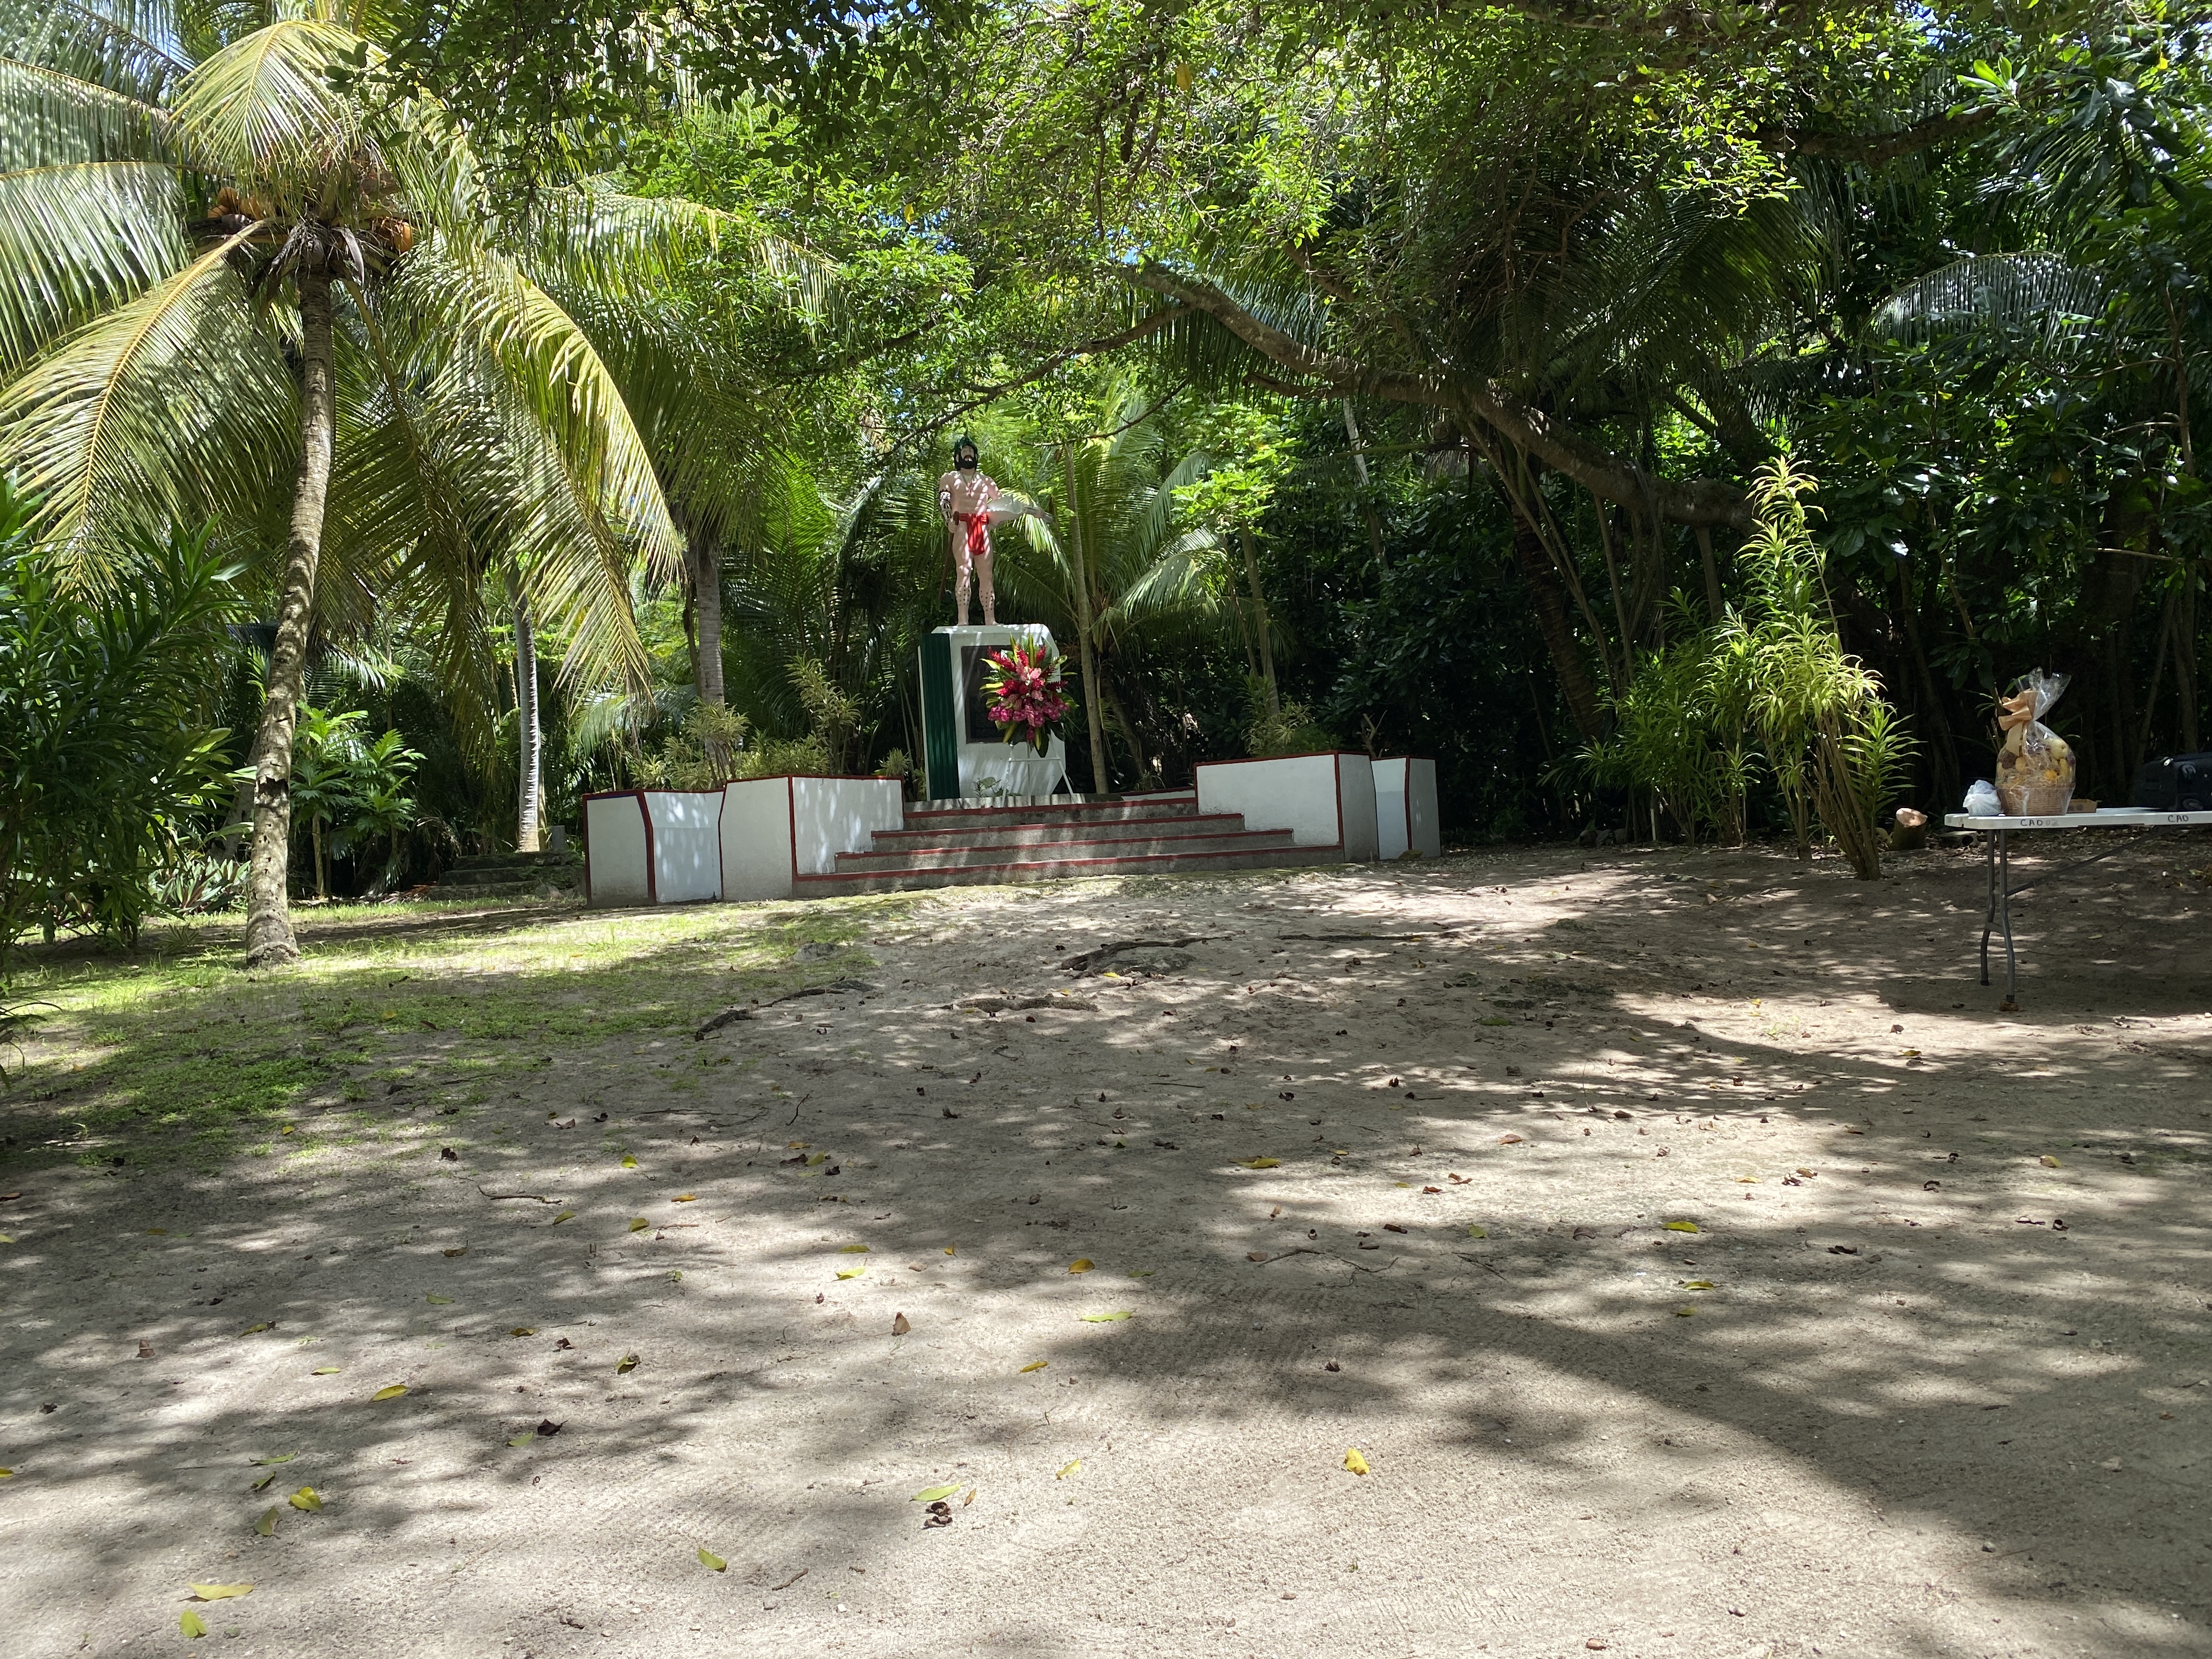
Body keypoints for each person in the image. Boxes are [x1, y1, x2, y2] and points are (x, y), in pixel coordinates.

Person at [936, 436, 998, 626]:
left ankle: (991, 619)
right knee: (964, 570)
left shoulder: (987, 481)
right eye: (964, 452)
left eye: (971, 452)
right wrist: (949, 520)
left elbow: (1000, 504)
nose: (968, 455)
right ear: (957, 457)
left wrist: (998, 520)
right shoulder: (949, 478)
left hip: (982, 528)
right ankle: (962, 619)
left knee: (986, 574)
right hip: (961, 525)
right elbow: (944, 500)